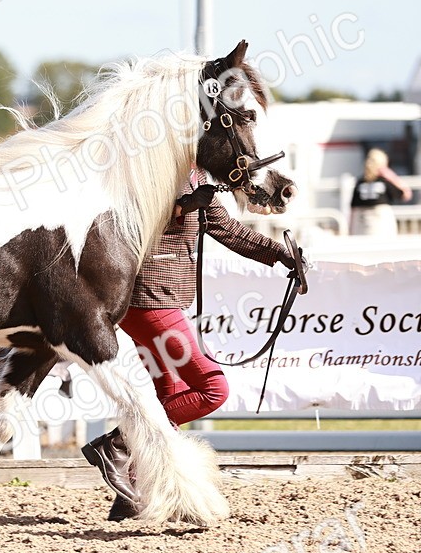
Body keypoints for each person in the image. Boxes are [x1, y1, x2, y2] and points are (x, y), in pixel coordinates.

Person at [81, 170, 295, 522]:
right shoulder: (158, 168)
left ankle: (133, 494)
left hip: (154, 299)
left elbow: (228, 229)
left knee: (172, 393)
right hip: (150, 298)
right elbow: (137, 215)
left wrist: (283, 255)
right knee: (212, 388)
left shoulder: (197, 177)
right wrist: (179, 206)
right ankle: (117, 445)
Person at [348, 149, 412, 236]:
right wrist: (390, 174)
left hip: (361, 223)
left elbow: (353, 208)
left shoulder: (360, 182)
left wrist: (350, 230)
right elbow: (405, 194)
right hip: (381, 222)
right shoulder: (384, 182)